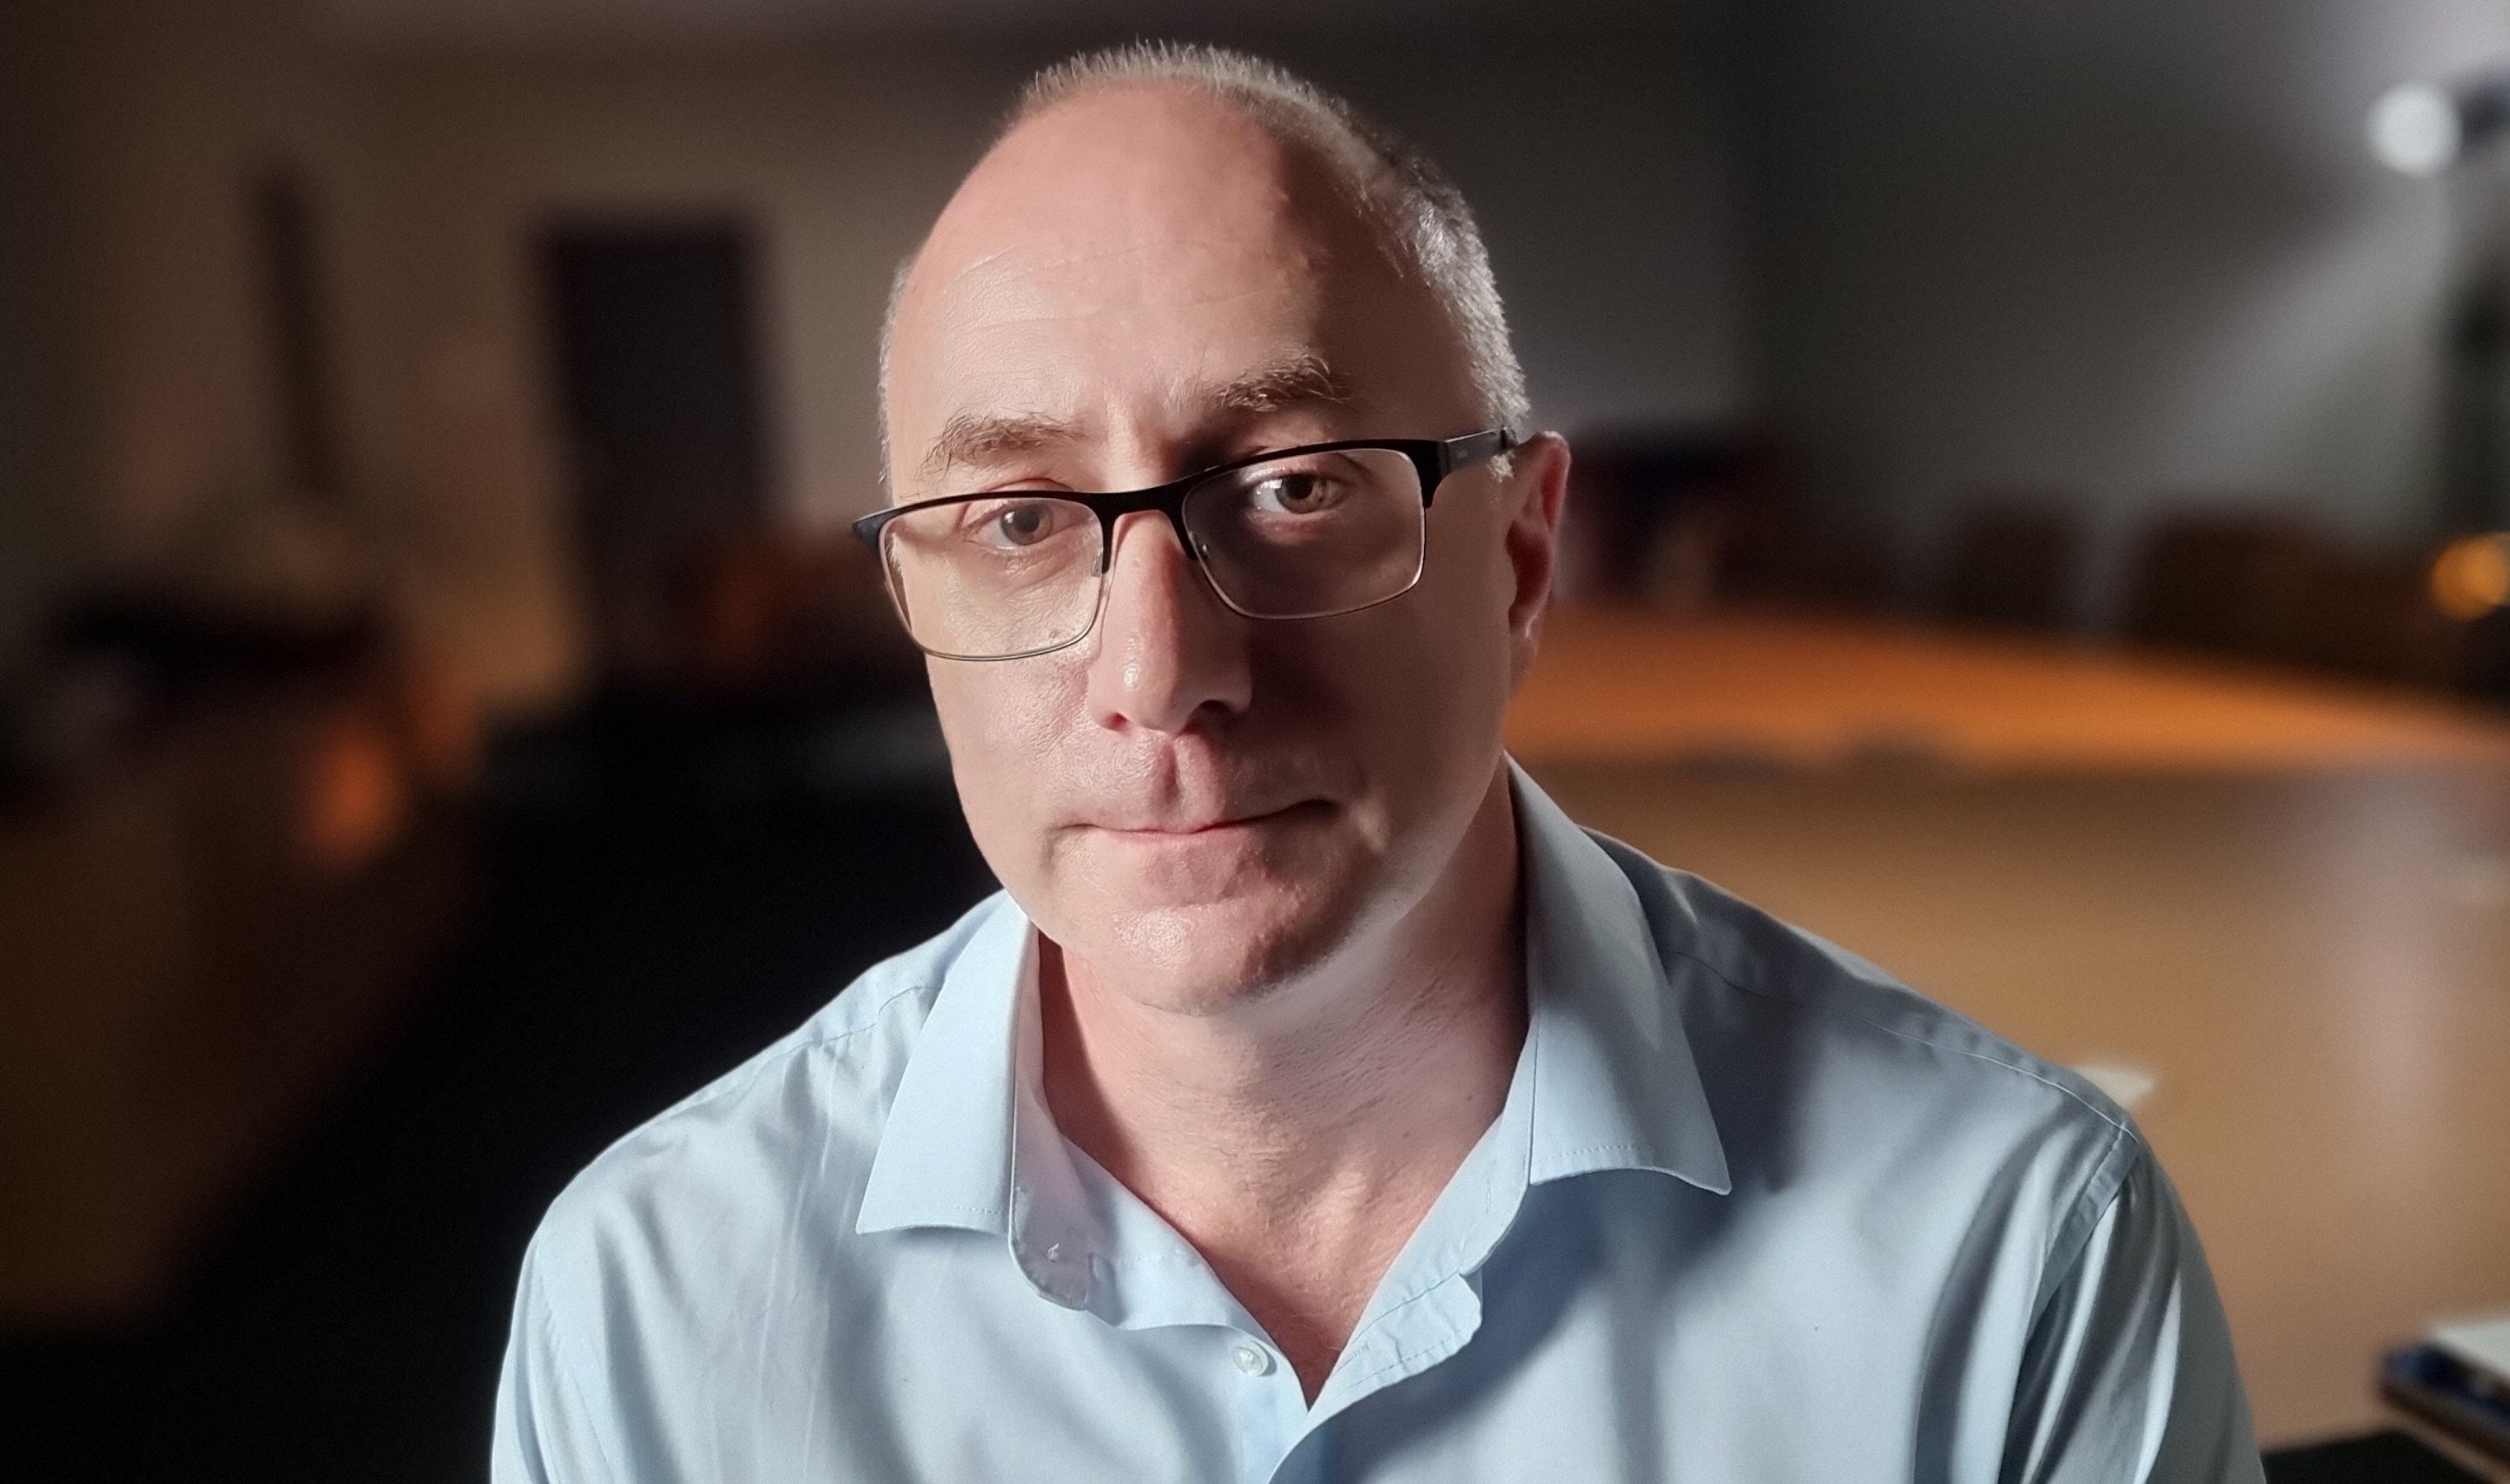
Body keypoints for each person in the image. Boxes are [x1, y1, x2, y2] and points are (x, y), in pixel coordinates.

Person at [495, 42, 2260, 1483]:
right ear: (910, 596)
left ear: (1522, 552)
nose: (1161, 678)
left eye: (1292, 485)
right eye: (1020, 519)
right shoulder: (655, 1305)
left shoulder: (2009, 1254)